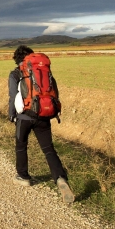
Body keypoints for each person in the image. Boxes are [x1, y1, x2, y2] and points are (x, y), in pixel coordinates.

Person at [7, 45, 75, 203]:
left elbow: (13, 96)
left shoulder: (16, 73)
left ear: (17, 59)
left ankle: (23, 176)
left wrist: (11, 115)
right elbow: (53, 91)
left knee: (21, 145)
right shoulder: (44, 72)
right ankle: (60, 178)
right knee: (48, 149)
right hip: (43, 115)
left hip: (24, 117)